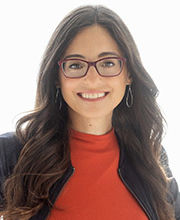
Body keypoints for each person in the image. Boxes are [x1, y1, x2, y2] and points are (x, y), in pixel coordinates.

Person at [0, 5, 179, 220]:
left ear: (129, 74)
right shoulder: (13, 155)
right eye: (75, 65)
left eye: (108, 63)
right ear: (57, 77)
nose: (92, 79)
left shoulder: (151, 157)